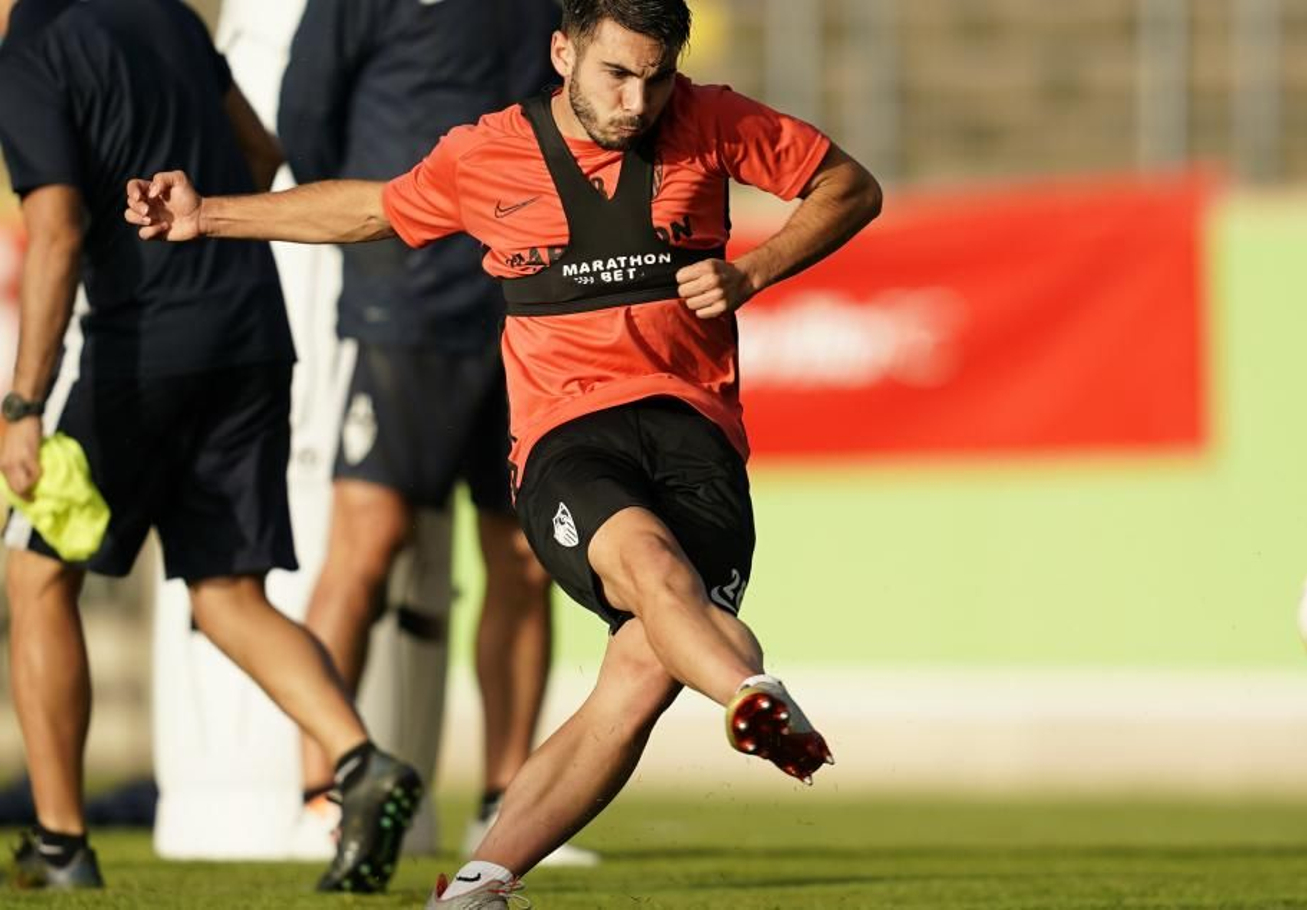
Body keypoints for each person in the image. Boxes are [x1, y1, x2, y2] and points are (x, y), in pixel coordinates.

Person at [125, 0, 882, 904]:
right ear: (563, 52)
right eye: (616, 74)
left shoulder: (713, 119)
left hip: (698, 436)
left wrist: (753, 270)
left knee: (638, 680)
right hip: (569, 437)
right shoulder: (487, 151)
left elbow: (850, 187)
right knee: (646, 565)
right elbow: (368, 210)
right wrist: (208, 214)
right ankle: (750, 694)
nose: (637, 101)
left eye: (655, 79)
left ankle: (479, 882)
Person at [0, 0, 421, 893]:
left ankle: (61, 843)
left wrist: (25, 402)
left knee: (36, 573)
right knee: (227, 594)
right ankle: (358, 760)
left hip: (142, 352)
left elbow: (59, 231)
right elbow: (260, 154)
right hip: (251, 334)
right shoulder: (167, 15)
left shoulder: (31, 48)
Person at [274, 0, 594, 865]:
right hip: (404, 300)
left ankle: (504, 806)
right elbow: (306, 120)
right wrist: (379, 231)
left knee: (524, 557)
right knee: (367, 540)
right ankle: (323, 799)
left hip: (530, 298)